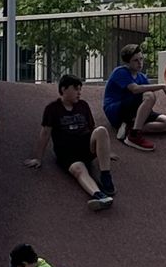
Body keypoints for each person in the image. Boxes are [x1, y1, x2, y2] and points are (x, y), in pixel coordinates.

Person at [25, 74, 115, 210]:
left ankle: (106, 176)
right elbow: (45, 133)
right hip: (67, 153)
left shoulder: (83, 105)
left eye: (80, 89)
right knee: (79, 170)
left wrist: (105, 152)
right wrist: (38, 158)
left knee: (101, 130)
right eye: (76, 89)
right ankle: (99, 196)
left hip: (85, 145)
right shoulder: (52, 109)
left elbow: (93, 129)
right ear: (64, 89)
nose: (79, 93)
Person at [104, 43, 166, 150]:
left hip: (133, 111)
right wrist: (163, 86)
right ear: (127, 62)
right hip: (116, 109)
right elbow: (136, 89)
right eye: (135, 60)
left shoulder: (142, 77)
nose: (140, 63)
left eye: (141, 59)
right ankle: (134, 136)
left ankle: (130, 128)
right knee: (149, 95)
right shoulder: (120, 72)